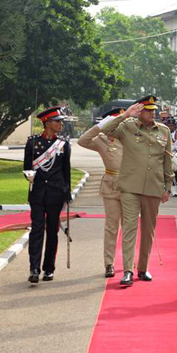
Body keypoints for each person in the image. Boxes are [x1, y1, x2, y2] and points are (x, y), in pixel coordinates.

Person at [100, 96, 173, 287]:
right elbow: (104, 129)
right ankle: (127, 271)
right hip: (130, 187)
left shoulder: (164, 131)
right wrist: (124, 115)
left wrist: (168, 187)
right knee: (130, 229)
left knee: (148, 231)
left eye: (154, 110)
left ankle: (143, 268)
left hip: (153, 188)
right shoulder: (127, 127)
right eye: (148, 110)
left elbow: (167, 161)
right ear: (139, 111)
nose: (152, 113)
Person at [23, 107, 72, 284]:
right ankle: (34, 268)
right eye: (57, 121)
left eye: (60, 121)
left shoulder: (63, 145)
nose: (60, 124)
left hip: (56, 193)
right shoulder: (32, 143)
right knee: (37, 230)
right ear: (47, 123)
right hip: (37, 193)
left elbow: (66, 172)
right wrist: (28, 175)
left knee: (52, 231)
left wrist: (67, 193)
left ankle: (48, 268)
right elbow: (27, 167)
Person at [78, 107, 125, 278]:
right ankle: (109, 263)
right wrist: (100, 126)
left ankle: (128, 263)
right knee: (112, 227)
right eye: (116, 120)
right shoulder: (101, 139)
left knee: (129, 227)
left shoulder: (130, 137)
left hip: (130, 187)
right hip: (111, 186)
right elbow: (82, 140)